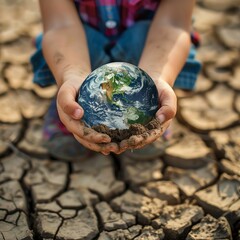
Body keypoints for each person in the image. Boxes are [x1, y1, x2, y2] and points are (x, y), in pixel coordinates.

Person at [31, 0, 201, 160]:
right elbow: (60, 26)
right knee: (64, 55)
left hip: (150, 52)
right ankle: (73, 101)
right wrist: (71, 76)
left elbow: (173, 23)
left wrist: (156, 78)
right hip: (79, 50)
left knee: (141, 34)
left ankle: (151, 112)